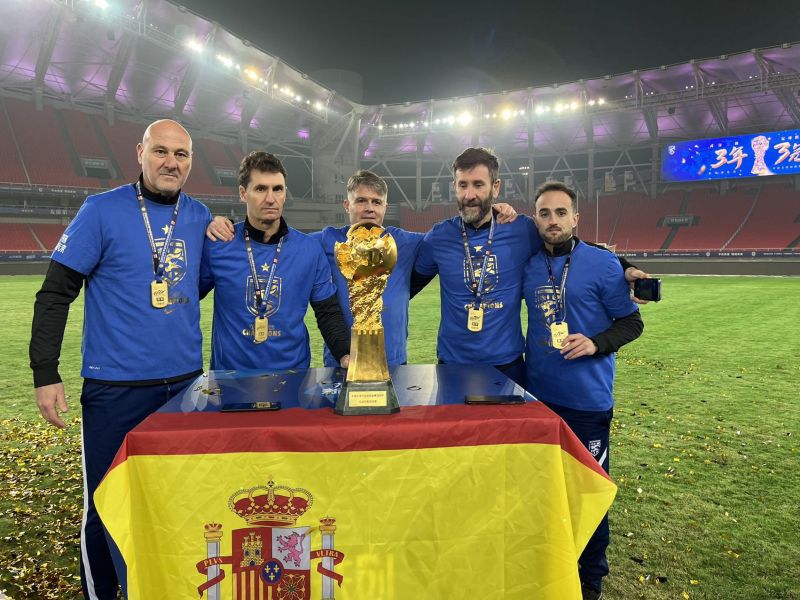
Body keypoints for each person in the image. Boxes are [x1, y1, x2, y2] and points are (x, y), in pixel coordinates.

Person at [29, 119, 212, 600]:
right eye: (161, 152)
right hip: (116, 390)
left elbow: (195, 287)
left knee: (173, 500)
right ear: (140, 152)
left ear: (191, 161)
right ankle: (102, 593)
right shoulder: (100, 211)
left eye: (182, 155)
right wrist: (45, 374)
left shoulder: (198, 215)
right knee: (105, 504)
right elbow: (54, 295)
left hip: (185, 390)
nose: (171, 162)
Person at [207, 170, 518, 367]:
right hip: (340, 360)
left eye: (377, 202)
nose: (369, 207)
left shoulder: (407, 242)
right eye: (361, 200)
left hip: (393, 360)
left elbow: (453, 235)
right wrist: (224, 225)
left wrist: (496, 209)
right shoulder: (322, 242)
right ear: (347, 206)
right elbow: (277, 239)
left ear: (385, 207)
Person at [411, 147, 645, 386]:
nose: (469, 194)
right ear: (455, 187)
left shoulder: (521, 229)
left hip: (507, 364)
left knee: (511, 425)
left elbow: (572, 244)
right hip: (452, 363)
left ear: (496, 187)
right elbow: (408, 286)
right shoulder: (438, 237)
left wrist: (625, 267)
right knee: (455, 425)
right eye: (463, 185)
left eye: (478, 184)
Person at [523, 181, 644, 600]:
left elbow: (632, 322)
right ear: (535, 219)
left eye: (560, 212)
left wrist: (595, 342)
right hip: (538, 399)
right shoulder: (529, 261)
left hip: (587, 402)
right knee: (546, 490)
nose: (552, 220)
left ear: (576, 218)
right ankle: (550, 564)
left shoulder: (603, 263)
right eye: (544, 213)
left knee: (588, 491)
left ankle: (590, 580)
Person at [200, 151, 350, 371]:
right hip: (231, 378)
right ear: (243, 193)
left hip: (293, 375)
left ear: (285, 193)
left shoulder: (309, 249)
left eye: (277, 189)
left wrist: (345, 354)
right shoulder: (220, 243)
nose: (270, 198)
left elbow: (327, 312)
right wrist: (206, 224)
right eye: (260, 189)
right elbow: (187, 295)